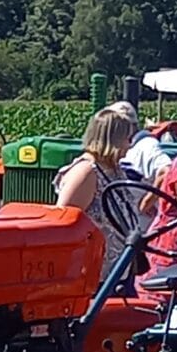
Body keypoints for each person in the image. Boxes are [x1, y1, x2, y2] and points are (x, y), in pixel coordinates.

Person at [54, 105, 142, 257]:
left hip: (119, 264)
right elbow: (64, 221)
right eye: (128, 139)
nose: (130, 145)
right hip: (93, 268)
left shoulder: (114, 169)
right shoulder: (87, 172)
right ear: (114, 140)